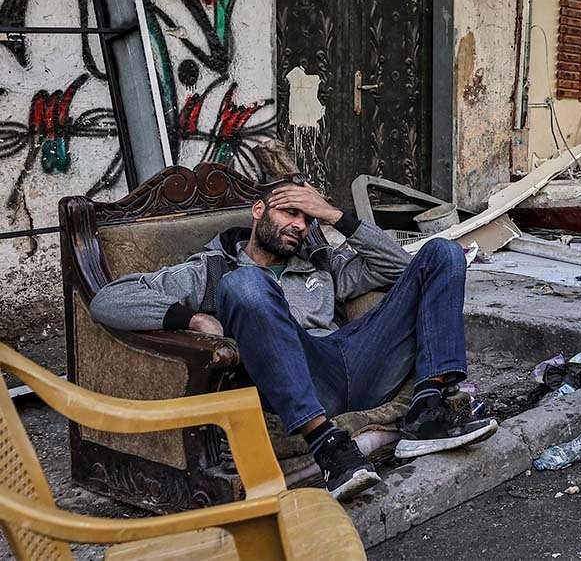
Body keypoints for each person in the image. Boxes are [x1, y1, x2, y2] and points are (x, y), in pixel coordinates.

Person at [89, 174, 497, 501]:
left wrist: (335, 216)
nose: (299, 226)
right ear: (258, 210)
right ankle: (328, 445)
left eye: (307, 219)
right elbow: (109, 300)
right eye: (290, 213)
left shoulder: (321, 263)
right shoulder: (211, 271)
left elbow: (401, 268)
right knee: (244, 284)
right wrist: (192, 318)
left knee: (443, 252)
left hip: (352, 358)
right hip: (299, 380)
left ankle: (426, 410)